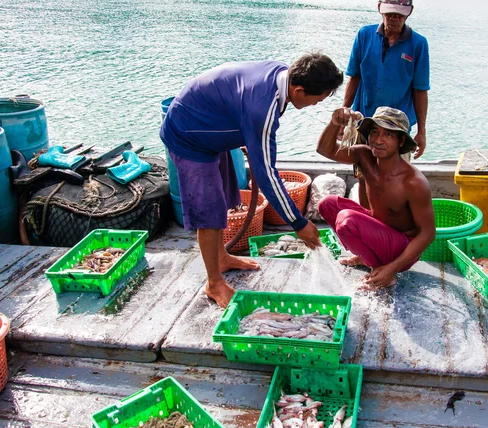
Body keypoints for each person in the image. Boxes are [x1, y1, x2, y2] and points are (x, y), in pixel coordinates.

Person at [160, 53, 344, 307]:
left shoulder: (283, 73)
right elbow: (266, 174)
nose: (315, 105)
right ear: (299, 90)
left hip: (209, 125)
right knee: (209, 213)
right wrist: (298, 222)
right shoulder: (263, 108)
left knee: (224, 196)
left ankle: (222, 257)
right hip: (188, 135)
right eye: (317, 100)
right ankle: (214, 283)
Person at [316, 106, 436, 287]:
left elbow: (427, 234)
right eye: (374, 132)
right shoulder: (363, 155)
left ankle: (380, 269)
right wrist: (335, 123)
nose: (378, 140)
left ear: (401, 141)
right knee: (328, 204)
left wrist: (392, 268)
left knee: (346, 220)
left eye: (388, 135)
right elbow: (325, 150)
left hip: (401, 249)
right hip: (379, 231)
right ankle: (367, 258)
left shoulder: (413, 182)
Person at [344, 0, 430, 207]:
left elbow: (420, 90)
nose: (394, 19)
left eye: (399, 15)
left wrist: (422, 131)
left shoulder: (418, 44)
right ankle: (366, 217)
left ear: (409, 13)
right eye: (390, 14)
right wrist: (345, 115)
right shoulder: (364, 35)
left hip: (397, 127)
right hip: (364, 122)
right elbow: (354, 77)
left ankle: (393, 224)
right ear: (380, 10)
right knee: (363, 174)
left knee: (397, 178)